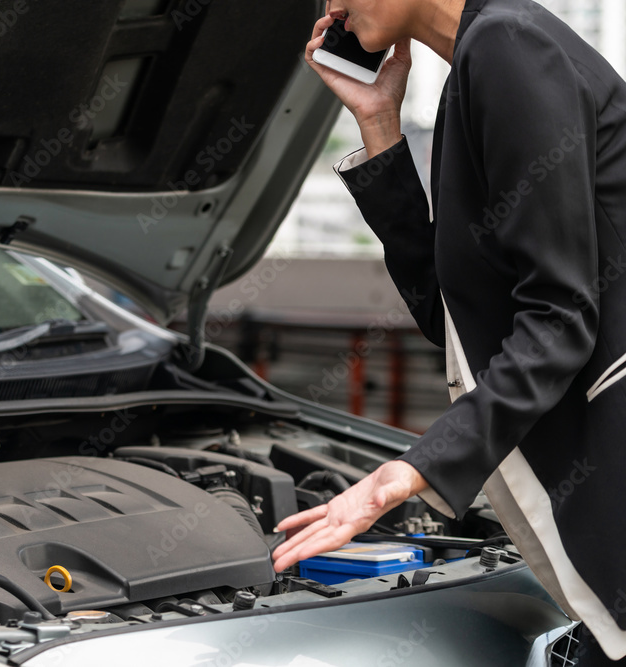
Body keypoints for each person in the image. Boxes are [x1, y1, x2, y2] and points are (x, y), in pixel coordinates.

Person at [270, 0, 626, 663]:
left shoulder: (507, 46)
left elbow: (560, 317)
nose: (330, 8)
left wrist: (405, 473)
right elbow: (454, 319)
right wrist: (378, 123)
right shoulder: (479, 66)